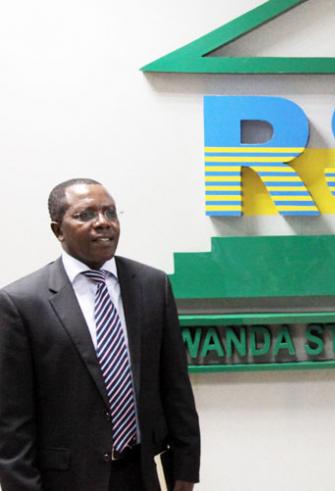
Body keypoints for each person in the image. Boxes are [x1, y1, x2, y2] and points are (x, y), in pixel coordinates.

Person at [0, 179, 200, 491]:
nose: (103, 224)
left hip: (142, 473)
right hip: (67, 479)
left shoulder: (152, 285)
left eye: (110, 213)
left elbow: (175, 386)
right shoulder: (21, 302)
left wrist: (185, 470)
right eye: (85, 215)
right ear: (58, 230)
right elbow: (12, 420)